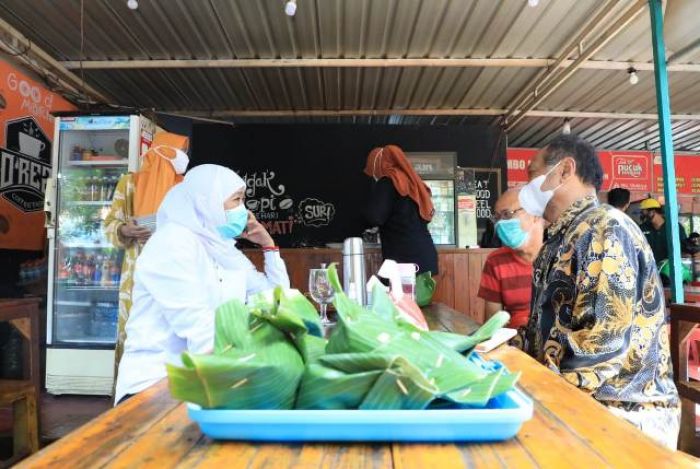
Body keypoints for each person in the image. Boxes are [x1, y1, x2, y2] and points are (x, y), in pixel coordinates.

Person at [518, 134, 680, 449]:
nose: (526, 185)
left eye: (531, 173)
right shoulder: (561, 237)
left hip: (622, 415)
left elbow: (599, 351)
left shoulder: (604, 229)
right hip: (580, 403)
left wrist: (532, 395)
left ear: (565, 171)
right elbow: (544, 334)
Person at [114, 164, 290, 405]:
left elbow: (275, 300)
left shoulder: (222, 249)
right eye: (236, 200)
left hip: (203, 380)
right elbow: (199, 328)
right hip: (155, 386)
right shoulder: (172, 243)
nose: (243, 210)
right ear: (207, 202)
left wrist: (269, 246)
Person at [104, 132, 189, 392]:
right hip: (136, 271)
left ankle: (174, 396)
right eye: (180, 150)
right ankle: (127, 397)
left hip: (177, 272)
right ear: (163, 151)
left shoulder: (184, 185)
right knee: (135, 333)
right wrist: (125, 230)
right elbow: (109, 225)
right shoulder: (129, 184)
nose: (184, 156)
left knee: (173, 333)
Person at [364, 145, 438, 275]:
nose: (374, 175)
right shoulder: (412, 182)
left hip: (405, 261)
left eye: (373, 171)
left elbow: (375, 216)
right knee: (418, 296)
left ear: (378, 165)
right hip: (425, 256)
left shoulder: (388, 181)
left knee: (394, 295)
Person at [477, 188, 544, 330]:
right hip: (515, 344)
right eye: (497, 217)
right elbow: (492, 326)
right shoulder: (496, 262)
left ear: (535, 215)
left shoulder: (561, 255)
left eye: (507, 215)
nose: (500, 223)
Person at [639, 197, 688, 263]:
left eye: (643, 212)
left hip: (669, 268)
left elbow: (684, 248)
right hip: (650, 268)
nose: (641, 215)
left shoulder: (674, 227)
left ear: (652, 212)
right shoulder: (642, 228)